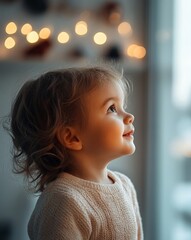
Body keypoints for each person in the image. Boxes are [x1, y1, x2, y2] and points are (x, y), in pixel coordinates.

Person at [7, 66, 143, 240]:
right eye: (112, 108)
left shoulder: (125, 186)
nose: (129, 116)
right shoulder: (63, 202)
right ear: (72, 138)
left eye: (122, 106)